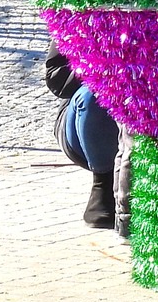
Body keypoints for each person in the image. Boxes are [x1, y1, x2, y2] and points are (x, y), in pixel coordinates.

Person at [45, 44, 127, 231]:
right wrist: (100, 62)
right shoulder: (81, 16)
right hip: (81, 125)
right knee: (95, 96)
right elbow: (57, 79)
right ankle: (102, 182)